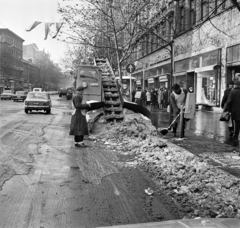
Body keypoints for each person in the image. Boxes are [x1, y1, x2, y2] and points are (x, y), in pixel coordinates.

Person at [223, 80, 240, 145]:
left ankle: (231, 130)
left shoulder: (232, 92)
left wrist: (225, 109)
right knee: (238, 123)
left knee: (230, 121)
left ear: (235, 85)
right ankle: (236, 136)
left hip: (232, 110)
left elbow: (229, 102)